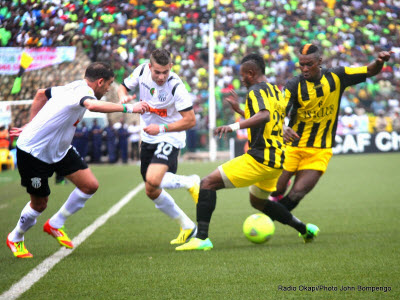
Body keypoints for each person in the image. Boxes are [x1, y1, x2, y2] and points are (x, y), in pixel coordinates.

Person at [176, 53, 319, 251]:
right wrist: (240, 110)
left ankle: (201, 238)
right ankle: (305, 229)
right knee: (258, 202)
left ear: (251, 73)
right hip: (277, 160)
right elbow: (271, 118)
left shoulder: (255, 90)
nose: (241, 79)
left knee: (207, 183)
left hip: (261, 158)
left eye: (243, 75)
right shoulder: (274, 90)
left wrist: (233, 126)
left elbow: (264, 116)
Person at [7, 62, 149, 258]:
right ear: (100, 82)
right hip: (34, 153)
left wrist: (32, 124)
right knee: (40, 204)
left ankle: (55, 224)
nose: (108, 89)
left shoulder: (71, 86)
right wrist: (130, 108)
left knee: (89, 185)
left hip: (60, 150)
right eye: (108, 85)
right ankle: (16, 237)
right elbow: (93, 105)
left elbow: (41, 94)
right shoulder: (82, 93)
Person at [270, 44, 392, 212]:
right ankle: (277, 204)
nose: (304, 69)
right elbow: (280, 109)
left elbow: (369, 71)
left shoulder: (338, 76)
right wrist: (283, 126)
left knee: (297, 193)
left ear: (319, 61)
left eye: (309, 64)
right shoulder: (293, 84)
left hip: (320, 149)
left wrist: (379, 61)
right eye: (301, 64)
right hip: (293, 147)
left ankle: (271, 217)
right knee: (276, 190)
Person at [118, 48, 200, 245]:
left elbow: (190, 121)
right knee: (151, 189)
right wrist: (123, 98)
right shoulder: (140, 72)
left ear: (171, 67)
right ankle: (187, 226)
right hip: (148, 136)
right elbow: (122, 87)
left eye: (165, 72)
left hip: (170, 135)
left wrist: (162, 129)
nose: (162, 77)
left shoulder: (176, 87)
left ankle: (192, 181)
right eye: (157, 72)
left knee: (154, 179)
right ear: (149, 67)